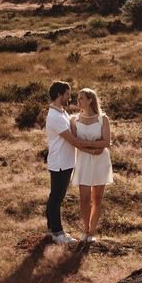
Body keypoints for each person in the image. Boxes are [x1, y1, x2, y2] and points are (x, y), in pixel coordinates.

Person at [45, 81, 106, 244]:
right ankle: (58, 233)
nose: (69, 97)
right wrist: (95, 149)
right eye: (66, 94)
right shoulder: (55, 116)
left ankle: (51, 229)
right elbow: (73, 140)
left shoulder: (62, 113)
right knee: (56, 199)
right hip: (60, 161)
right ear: (59, 95)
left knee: (54, 197)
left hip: (65, 161)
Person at [71, 87, 112, 243]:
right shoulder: (74, 119)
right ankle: (85, 229)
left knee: (97, 198)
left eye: (81, 98)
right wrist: (92, 149)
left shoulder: (103, 119)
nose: (78, 101)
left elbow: (106, 142)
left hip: (100, 161)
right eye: (78, 98)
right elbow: (75, 142)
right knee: (84, 198)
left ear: (90, 100)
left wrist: (88, 145)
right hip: (83, 160)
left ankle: (92, 232)